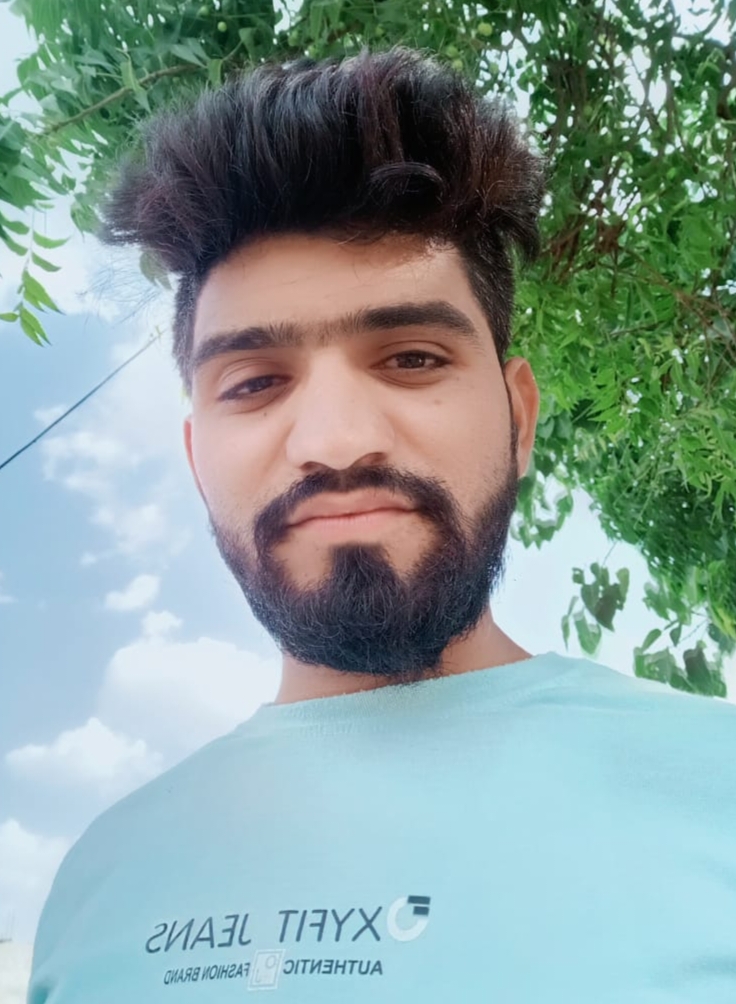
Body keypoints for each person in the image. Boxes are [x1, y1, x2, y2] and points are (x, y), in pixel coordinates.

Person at [27, 46, 736, 1003]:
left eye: (410, 358)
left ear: (519, 417)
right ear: (198, 461)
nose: (335, 441)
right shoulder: (99, 884)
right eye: (255, 382)